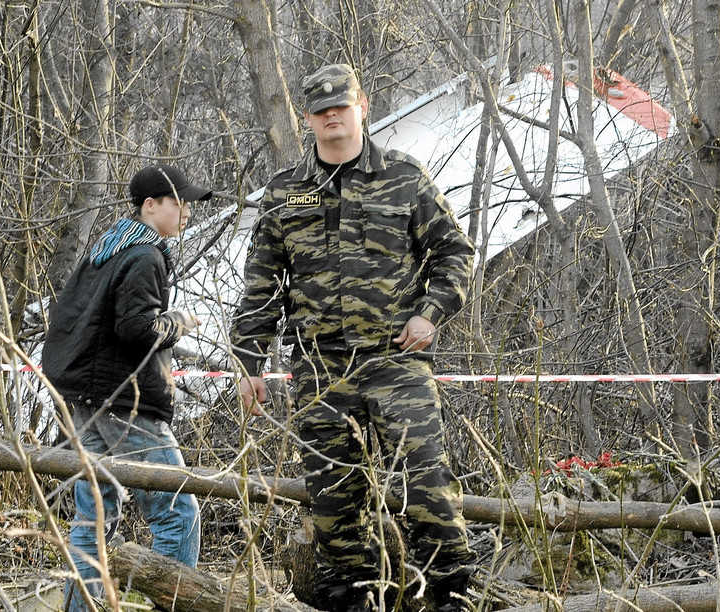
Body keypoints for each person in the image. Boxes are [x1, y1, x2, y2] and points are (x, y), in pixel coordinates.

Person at [231, 63, 476, 612]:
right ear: (308, 120)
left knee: (426, 480)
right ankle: (354, 596)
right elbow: (263, 284)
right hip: (320, 368)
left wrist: (431, 313)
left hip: (396, 361)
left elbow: (455, 253)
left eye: (341, 106)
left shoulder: (404, 177)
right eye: (320, 111)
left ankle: (453, 592)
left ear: (361, 106)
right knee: (334, 498)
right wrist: (249, 362)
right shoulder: (286, 192)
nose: (332, 117)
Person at [42, 163, 212, 611]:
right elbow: (137, 327)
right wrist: (179, 323)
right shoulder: (145, 256)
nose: (188, 212)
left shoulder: (103, 251)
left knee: (93, 517)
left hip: (85, 399)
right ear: (151, 206)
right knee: (178, 511)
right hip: (125, 402)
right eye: (181, 203)